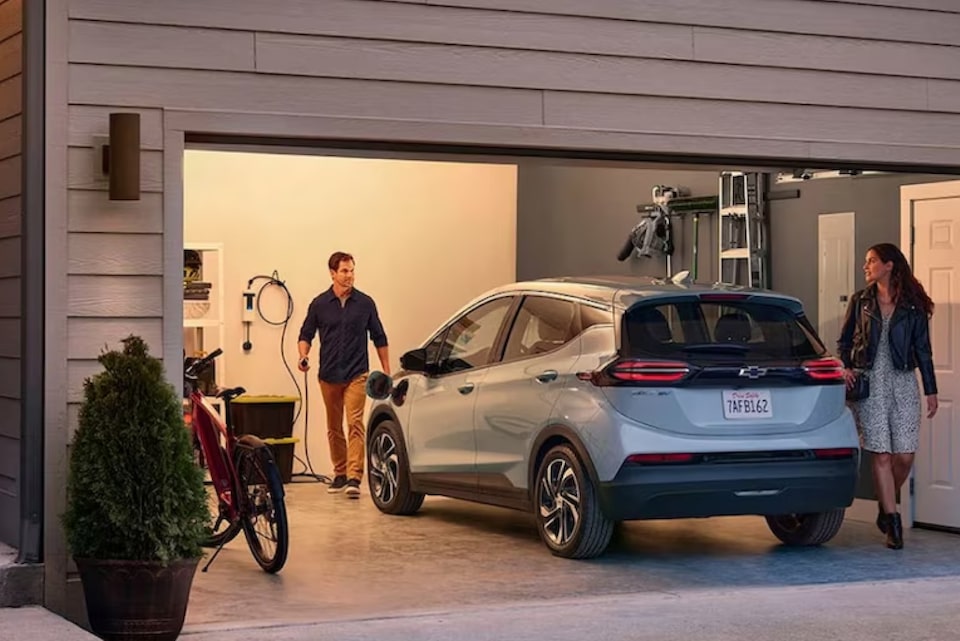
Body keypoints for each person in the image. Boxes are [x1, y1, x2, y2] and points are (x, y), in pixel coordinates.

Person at [837, 242, 938, 550]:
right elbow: (843, 341)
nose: (865, 266)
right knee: (880, 454)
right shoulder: (860, 301)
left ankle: (884, 504)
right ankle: (893, 524)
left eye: (871, 261)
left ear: (889, 265)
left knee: (904, 455)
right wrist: (844, 368)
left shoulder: (912, 304)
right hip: (870, 382)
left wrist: (931, 389)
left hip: (904, 381)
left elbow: (923, 349)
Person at [298, 252, 390, 498]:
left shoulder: (365, 303)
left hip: (357, 373)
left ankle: (354, 477)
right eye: (345, 271)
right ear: (332, 273)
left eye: (352, 271)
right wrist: (303, 356)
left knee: (355, 424)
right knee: (333, 427)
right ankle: (339, 473)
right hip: (328, 375)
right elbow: (306, 334)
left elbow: (379, 336)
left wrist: (387, 370)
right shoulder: (319, 304)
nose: (350, 276)